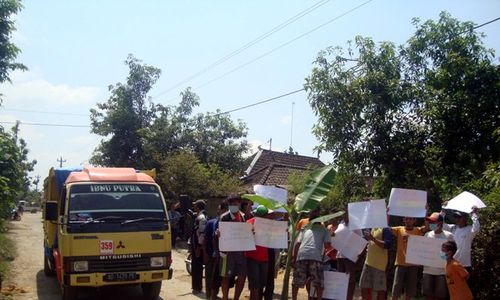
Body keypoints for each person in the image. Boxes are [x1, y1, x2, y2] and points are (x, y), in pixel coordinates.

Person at [291, 208, 332, 300]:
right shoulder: (324, 230)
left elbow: (298, 244)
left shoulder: (304, 228)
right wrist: (331, 237)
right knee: (318, 283)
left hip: (302, 256)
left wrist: (294, 258)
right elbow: (327, 245)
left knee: (297, 282)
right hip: (315, 257)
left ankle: (294, 298)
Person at [390, 215, 429, 300]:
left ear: (414, 220)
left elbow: (426, 227)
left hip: (413, 265)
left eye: (411, 219)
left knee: (410, 291)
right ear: (403, 220)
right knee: (396, 288)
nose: (408, 221)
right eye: (407, 218)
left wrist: (425, 213)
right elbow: (387, 227)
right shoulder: (399, 229)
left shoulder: (418, 230)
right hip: (400, 263)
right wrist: (387, 214)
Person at [218, 195, 247, 300]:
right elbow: (219, 232)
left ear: (239, 204)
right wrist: (218, 233)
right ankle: (225, 297)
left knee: (242, 275)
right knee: (226, 276)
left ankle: (236, 298)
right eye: (231, 204)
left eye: (235, 204)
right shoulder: (224, 217)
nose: (233, 206)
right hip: (228, 252)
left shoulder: (244, 217)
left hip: (241, 252)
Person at [441, 205, 479, 283]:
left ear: (465, 218)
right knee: (452, 289)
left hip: (464, 264)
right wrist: (443, 210)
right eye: (456, 217)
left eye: (459, 217)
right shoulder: (452, 228)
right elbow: (440, 223)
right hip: (451, 263)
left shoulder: (469, 230)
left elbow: (477, 227)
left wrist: (473, 214)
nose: (457, 219)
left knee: (464, 290)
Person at [422, 213, 454, 300]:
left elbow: (453, 251)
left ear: (440, 222)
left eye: (433, 221)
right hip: (428, 270)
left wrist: (449, 256)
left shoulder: (449, 236)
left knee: (440, 296)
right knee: (428, 296)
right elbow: (422, 251)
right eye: (430, 221)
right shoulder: (427, 235)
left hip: (442, 272)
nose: (431, 223)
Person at [336, 207, 365, 300]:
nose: (344, 215)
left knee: (350, 281)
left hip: (350, 257)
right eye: (343, 213)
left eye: (346, 213)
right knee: (341, 279)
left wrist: (359, 259)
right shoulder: (341, 223)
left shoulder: (356, 225)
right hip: (340, 256)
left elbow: (362, 242)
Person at [359, 225, 394, 300]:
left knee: (380, 290)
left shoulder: (386, 229)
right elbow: (368, 242)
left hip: (380, 265)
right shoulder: (371, 227)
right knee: (363, 286)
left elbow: (387, 245)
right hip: (368, 262)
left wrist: (373, 239)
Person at [245, 205, 271, 300]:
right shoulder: (249, 223)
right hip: (252, 257)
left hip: (264, 258)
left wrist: (282, 233)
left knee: (261, 284)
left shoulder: (269, 225)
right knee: (254, 285)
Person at [204, 201, 228, 300]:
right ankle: (209, 296)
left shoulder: (230, 226)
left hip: (224, 257)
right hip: (211, 255)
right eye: (222, 209)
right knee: (210, 278)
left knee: (220, 279)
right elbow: (205, 240)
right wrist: (205, 253)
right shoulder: (210, 223)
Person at [191, 199, 207, 294]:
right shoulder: (199, 216)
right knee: (195, 266)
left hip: (198, 246)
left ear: (198, 207)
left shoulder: (201, 218)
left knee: (197, 267)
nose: (193, 207)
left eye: (195, 205)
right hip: (195, 245)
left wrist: (198, 247)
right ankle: (196, 286)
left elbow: (201, 233)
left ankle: (197, 287)